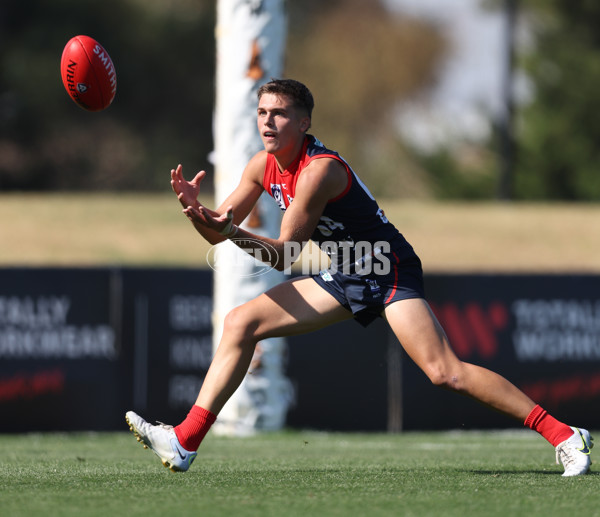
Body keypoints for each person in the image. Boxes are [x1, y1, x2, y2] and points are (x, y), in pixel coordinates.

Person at [125, 78, 593, 476]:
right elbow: (217, 235)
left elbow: (286, 257)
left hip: (385, 266)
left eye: (280, 114)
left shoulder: (318, 172)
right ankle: (185, 441)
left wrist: (226, 228)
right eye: (263, 112)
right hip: (345, 270)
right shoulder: (260, 165)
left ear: (304, 123)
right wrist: (196, 211)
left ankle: (564, 434)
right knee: (240, 322)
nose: (268, 122)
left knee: (444, 373)